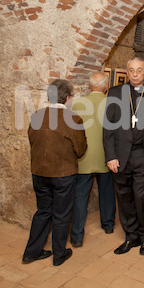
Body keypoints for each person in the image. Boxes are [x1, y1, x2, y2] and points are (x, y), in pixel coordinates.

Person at [103, 56, 144, 255]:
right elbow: (108, 128)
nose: (135, 74)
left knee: (141, 197)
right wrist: (110, 156)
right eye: (131, 70)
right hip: (121, 155)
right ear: (126, 72)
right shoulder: (114, 93)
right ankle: (131, 236)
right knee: (124, 197)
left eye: (139, 70)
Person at [22, 79, 87, 267]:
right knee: (61, 214)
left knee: (42, 212)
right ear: (67, 98)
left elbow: (32, 141)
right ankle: (59, 254)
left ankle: (31, 253)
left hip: (39, 172)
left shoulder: (36, 116)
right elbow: (81, 150)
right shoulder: (73, 119)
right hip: (63, 174)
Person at [69, 72, 116, 248]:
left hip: (84, 157)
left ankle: (77, 236)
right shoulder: (111, 103)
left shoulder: (77, 104)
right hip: (106, 156)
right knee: (107, 192)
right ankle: (108, 224)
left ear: (89, 85)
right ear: (106, 86)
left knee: (80, 196)